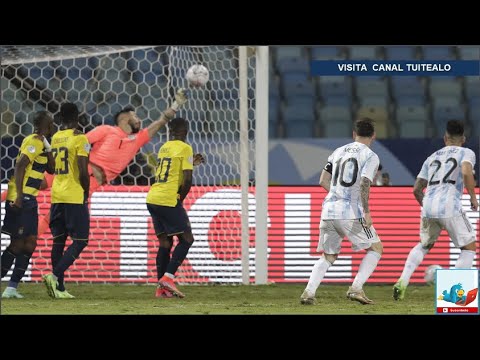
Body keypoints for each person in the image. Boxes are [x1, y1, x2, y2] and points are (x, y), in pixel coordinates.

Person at [35, 89, 191, 237]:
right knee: (34, 185)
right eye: (135, 116)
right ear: (124, 118)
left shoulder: (137, 140)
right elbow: (77, 142)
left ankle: (28, 241)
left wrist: (176, 105)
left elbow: (161, 121)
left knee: (55, 213)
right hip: (73, 168)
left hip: (91, 183)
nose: (139, 120)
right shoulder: (107, 130)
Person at [300, 117, 383, 305]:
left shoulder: (338, 152)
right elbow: (364, 183)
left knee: (328, 256)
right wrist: (367, 211)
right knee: (376, 248)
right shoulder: (370, 156)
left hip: (328, 210)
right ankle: (356, 289)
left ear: (354, 134)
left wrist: (337, 194)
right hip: (352, 213)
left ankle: (308, 292)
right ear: (373, 136)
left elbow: (322, 180)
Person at [393, 120, 478, 300]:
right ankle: (456, 295)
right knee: (469, 247)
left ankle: (403, 280)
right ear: (463, 138)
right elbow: (465, 171)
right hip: (450, 206)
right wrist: (472, 196)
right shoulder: (466, 152)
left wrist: (427, 208)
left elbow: (416, 189)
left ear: (445, 137)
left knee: (424, 244)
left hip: (428, 206)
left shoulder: (431, 158)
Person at [1, 111, 55, 298]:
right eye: (51, 124)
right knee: (17, 245)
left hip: (30, 200)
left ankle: (12, 288)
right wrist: (19, 196)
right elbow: (20, 166)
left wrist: (48, 148)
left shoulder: (42, 143)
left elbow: (52, 168)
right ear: (45, 126)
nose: (53, 126)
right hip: (21, 198)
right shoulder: (33, 141)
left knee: (30, 243)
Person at [42, 103, 91, 299]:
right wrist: (86, 192)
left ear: (60, 118)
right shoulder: (80, 138)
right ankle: (54, 277)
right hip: (73, 194)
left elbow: (51, 170)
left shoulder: (55, 138)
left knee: (59, 241)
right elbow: (83, 170)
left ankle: (59, 288)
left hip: (57, 195)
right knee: (80, 240)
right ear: (77, 118)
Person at [146, 117, 196, 298]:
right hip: (167, 199)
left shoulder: (164, 148)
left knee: (165, 243)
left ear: (170, 131)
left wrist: (192, 163)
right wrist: (179, 200)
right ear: (186, 131)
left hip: (153, 198)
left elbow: (171, 171)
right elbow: (187, 180)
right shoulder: (185, 148)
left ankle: (161, 288)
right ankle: (168, 278)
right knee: (187, 239)